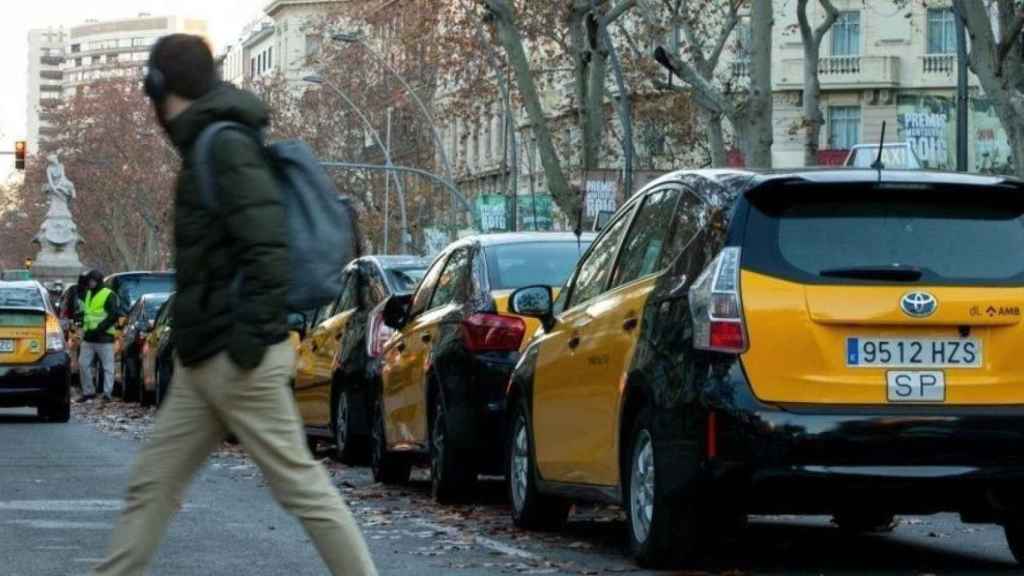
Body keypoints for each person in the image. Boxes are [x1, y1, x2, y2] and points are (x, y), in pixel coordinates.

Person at [93, 34, 377, 576]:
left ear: (161, 87)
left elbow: (267, 248)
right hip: (206, 360)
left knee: (302, 488)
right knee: (152, 486)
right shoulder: (208, 143)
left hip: (236, 358)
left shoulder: (223, 144)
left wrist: (246, 344)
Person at [78, 269, 119, 403]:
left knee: (108, 367)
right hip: (89, 337)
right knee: (83, 364)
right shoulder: (89, 293)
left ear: (97, 281)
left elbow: (113, 315)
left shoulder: (108, 294)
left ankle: (107, 394)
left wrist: (100, 328)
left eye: (91, 281)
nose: (89, 283)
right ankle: (88, 392)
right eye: (88, 281)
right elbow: (87, 313)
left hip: (104, 337)